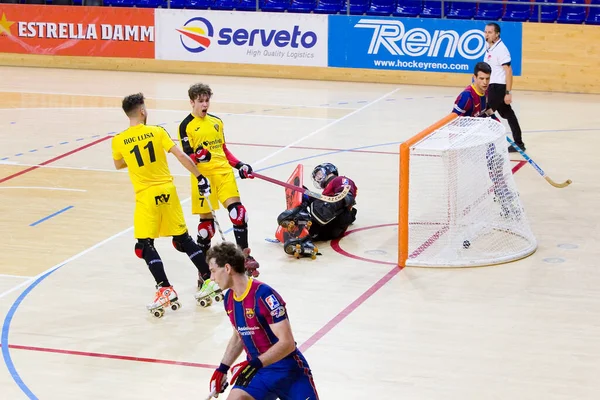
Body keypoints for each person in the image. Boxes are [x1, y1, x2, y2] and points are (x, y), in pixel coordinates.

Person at [111, 93, 221, 317]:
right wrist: (200, 177)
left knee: (144, 245)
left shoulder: (119, 140)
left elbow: (119, 163)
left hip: (146, 196)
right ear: (142, 111)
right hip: (168, 192)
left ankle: (164, 288)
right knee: (183, 239)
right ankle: (209, 280)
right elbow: (181, 156)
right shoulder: (158, 132)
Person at [207, 242, 319, 400]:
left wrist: (254, 365)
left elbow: (287, 343)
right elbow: (239, 335)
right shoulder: (229, 299)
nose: (212, 278)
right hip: (259, 373)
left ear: (227, 268)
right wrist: (223, 368)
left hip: (288, 371)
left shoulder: (264, 295)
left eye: (213, 271)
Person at [178, 83, 260, 279]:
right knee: (206, 229)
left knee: (239, 213)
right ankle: (204, 269)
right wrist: (200, 158)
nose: (205, 105)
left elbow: (223, 150)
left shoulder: (217, 122)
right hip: (203, 178)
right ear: (192, 102)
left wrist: (240, 165)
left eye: (207, 100)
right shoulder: (185, 126)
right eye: (201, 101)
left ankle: (243, 257)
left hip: (224, 174)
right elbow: (189, 156)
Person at [276, 163, 358, 258]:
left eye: (319, 174)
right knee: (303, 193)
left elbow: (347, 196)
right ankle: (305, 244)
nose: (317, 178)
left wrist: (330, 206)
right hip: (327, 230)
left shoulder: (339, 180)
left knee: (307, 203)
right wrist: (303, 192)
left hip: (335, 218)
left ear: (329, 171)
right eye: (316, 177)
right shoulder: (326, 193)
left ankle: (300, 217)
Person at [483, 22, 526, 153]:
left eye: (490, 32)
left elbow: (508, 71)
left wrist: (508, 92)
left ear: (497, 34)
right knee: (508, 114)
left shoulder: (501, 49)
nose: (487, 34)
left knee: (485, 114)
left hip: (498, 87)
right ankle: (519, 143)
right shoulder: (490, 47)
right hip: (492, 86)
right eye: (486, 32)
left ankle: (489, 144)